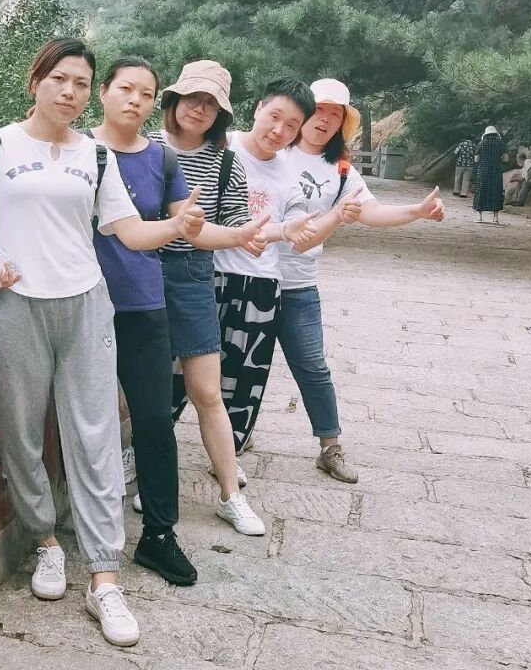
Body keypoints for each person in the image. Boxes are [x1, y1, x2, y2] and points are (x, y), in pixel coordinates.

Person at [0, 38, 204, 648]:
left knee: (96, 436)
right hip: (17, 306)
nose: (69, 91)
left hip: (86, 305)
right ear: (36, 80)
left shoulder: (96, 155)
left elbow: (129, 232)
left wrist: (177, 225)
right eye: (59, 78)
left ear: (90, 93)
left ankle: (104, 578)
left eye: (81, 83)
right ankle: (45, 541)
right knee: (21, 432)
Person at [152, 60, 311, 537]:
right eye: (192, 98)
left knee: (206, 391)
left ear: (221, 113)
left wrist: (250, 234)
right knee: (143, 387)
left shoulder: (225, 162)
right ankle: (147, 474)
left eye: (211, 103)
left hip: (193, 277)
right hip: (140, 275)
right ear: (174, 100)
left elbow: (236, 222)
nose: (199, 109)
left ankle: (230, 495)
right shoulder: (145, 148)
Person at [262, 79, 445, 483]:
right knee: (237, 365)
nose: (325, 120)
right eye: (319, 109)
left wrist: (416, 211)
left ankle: (330, 447)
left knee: (313, 367)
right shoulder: (271, 151)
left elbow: (371, 212)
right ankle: (232, 440)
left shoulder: (341, 171)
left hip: (298, 284)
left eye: (336, 114)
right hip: (252, 277)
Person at [88, 57, 197, 585]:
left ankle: (159, 534)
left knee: (154, 420)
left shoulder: (163, 158)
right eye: (125, 89)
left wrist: (248, 234)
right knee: (88, 423)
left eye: (147, 93)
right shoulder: (76, 150)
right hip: (83, 305)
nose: (135, 100)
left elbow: (185, 225)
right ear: (103, 92)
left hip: (144, 304)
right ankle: (84, 534)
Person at [211, 78, 319, 454]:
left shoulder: (290, 171)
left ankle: (229, 454)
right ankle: (150, 456)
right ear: (258, 108)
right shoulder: (220, 146)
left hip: (260, 283)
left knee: (244, 377)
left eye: (291, 125)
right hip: (209, 275)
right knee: (177, 370)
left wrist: (303, 227)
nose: (279, 130)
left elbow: (298, 218)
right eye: (275, 116)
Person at [473, 125, 508, 223]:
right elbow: (506, 159)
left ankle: (479, 216)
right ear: (496, 134)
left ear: (486, 134)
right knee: (496, 192)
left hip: (483, 170)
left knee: (481, 191)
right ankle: (495, 217)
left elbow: (476, 159)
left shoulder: (481, 143)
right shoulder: (501, 144)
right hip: (496, 170)